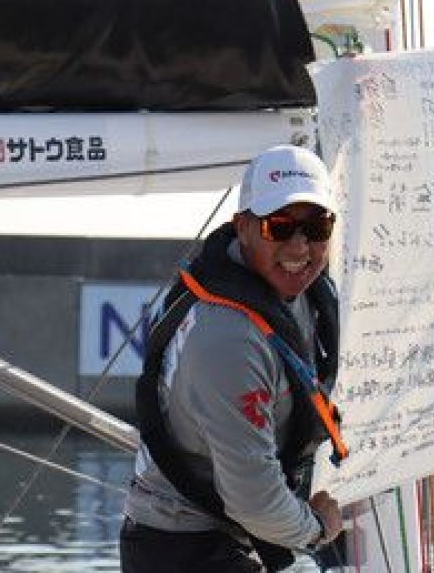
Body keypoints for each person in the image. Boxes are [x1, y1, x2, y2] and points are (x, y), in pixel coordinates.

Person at [120, 145, 347, 572]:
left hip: (236, 533)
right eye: (279, 227)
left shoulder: (299, 292)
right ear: (242, 227)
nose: (300, 246)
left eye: (316, 226)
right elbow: (255, 500)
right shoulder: (228, 339)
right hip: (183, 549)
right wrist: (317, 528)